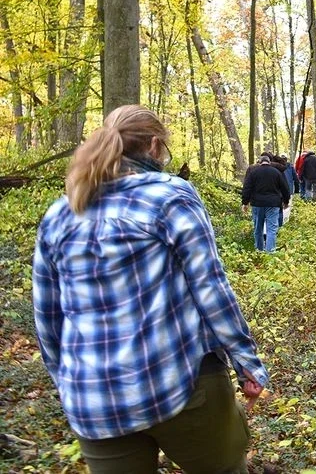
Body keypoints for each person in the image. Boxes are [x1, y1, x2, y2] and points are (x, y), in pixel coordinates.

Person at [33, 105, 268, 474]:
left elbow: (48, 318)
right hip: (179, 385)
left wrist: (69, 383)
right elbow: (210, 287)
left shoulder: (60, 214)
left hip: (95, 401)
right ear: (155, 145)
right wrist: (246, 361)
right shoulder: (170, 195)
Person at [242, 155, 291, 252]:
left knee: (258, 229)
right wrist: (286, 201)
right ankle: (270, 252)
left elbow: (247, 188)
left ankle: (259, 250)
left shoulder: (253, 172)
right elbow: (285, 188)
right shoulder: (276, 173)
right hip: (273, 204)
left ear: (260, 162)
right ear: (269, 162)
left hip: (257, 204)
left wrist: (245, 203)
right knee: (271, 229)